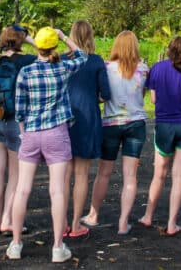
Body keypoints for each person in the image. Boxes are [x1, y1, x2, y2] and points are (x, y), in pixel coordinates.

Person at [6, 27, 87, 264]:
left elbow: (19, 108)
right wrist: (64, 37)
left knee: (22, 189)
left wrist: (23, 130)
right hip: (56, 133)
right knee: (57, 191)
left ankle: (15, 243)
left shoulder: (25, 72)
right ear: (54, 46)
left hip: (30, 133)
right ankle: (58, 246)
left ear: (37, 47)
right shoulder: (62, 68)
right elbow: (82, 56)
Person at [82, 30, 149, 235]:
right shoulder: (144, 69)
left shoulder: (106, 68)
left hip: (111, 124)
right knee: (130, 176)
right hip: (136, 124)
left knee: (103, 173)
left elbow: (102, 94)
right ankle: (123, 221)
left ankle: (93, 215)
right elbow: (142, 94)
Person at [138, 36, 181, 235]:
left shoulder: (157, 68)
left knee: (159, 174)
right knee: (178, 176)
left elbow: (152, 99)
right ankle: (172, 223)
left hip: (164, 125)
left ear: (169, 49)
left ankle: (147, 216)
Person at [0, 25, 37, 235]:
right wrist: (32, 41)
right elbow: (53, 57)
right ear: (21, 40)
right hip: (16, 121)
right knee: (16, 174)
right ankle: (8, 218)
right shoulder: (27, 61)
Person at [64, 20, 111, 239]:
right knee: (81, 174)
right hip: (88, 117)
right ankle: (75, 224)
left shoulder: (63, 60)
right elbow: (106, 94)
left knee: (63, 176)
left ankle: (61, 221)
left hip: (64, 119)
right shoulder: (96, 61)